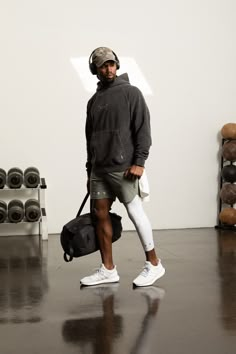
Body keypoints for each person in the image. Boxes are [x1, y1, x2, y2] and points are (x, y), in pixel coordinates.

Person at [80, 47, 165, 287]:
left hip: (123, 167)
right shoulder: (93, 101)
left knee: (135, 212)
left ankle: (154, 264)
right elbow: (89, 138)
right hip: (99, 169)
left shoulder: (131, 93)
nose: (108, 69)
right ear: (95, 70)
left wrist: (139, 162)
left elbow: (143, 130)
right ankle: (108, 269)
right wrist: (89, 170)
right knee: (100, 215)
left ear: (116, 65)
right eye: (102, 66)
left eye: (111, 64)